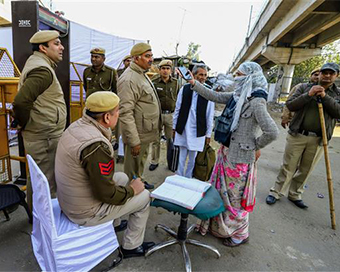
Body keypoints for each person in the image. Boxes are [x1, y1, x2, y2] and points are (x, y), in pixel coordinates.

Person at [184, 62, 278, 247]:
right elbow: (215, 95)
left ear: (249, 77)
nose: (235, 77)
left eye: (239, 74)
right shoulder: (238, 95)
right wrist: (194, 83)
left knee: (235, 200)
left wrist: (254, 146)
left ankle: (239, 234)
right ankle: (219, 228)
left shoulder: (257, 101)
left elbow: (272, 131)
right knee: (220, 194)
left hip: (240, 159)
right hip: (226, 154)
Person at [55, 91, 154, 258]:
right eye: (117, 112)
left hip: (71, 199)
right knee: (144, 196)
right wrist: (133, 191)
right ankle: (132, 246)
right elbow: (106, 193)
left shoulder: (78, 125)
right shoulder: (96, 146)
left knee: (121, 178)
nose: (119, 115)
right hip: (83, 212)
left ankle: (113, 223)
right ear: (107, 118)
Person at [266, 62, 340, 209]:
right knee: (288, 166)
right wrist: (309, 94)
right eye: (324, 72)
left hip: (320, 139)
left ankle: (295, 194)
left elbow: (338, 112)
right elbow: (291, 104)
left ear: (337, 75)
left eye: (331, 73)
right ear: (319, 74)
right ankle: (276, 192)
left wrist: (324, 97)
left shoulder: (337, 94)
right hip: (298, 134)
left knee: (306, 168)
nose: (327, 75)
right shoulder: (303, 88)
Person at [12, 30, 67, 209]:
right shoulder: (42, 70)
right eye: (57, 44)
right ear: (43, 48)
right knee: (47, 182)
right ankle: (48, 227)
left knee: (36, 177)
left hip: (42, 134)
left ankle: (34, 215)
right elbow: (20, 102)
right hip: (45, 137)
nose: (61, 47)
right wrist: (23, 122)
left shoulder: (39, 63)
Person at [118, 43, 161, 190]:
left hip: (145, 132)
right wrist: (134, 140)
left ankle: (140, 181)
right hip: (137, 134)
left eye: (151, 56)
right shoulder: (129, 79)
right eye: (147, 56)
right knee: (132, 168)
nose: (151, 59)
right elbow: (125, 112)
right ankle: (132, 195)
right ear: (136, 58)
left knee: (140, 162)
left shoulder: (141, 74)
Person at [173, 65, 215, 178]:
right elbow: (178, 108)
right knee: (181, 156)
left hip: (198, 129)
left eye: (205, 75)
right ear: (194, 75)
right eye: (200, 74)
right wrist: (174, 126)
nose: (203, 77)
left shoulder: (209, 92)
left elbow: (210, 115)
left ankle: (188, 177)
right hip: (184, 127)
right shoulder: (185, 89)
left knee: (193, 157)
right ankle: (179, 176)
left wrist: (208, 134)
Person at [149, 59, 180, 171]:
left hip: (171, 115)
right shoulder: (154, 81)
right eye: (163, 69)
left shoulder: (176, 83)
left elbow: (179, 99)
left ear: (171, 70)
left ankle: (171, 162)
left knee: (170, 140)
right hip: (157, 114)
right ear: (159, 70)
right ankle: (154, 161)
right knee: (155, 139)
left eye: (167, 69)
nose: (165, 71)